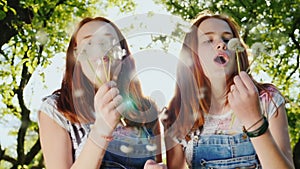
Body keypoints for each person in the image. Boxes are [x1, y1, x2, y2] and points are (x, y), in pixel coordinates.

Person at [164, 12, 294, 169]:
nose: (221, 44)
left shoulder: (267, 98)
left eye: (227, 39)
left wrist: (255, 121)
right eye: (209, 40)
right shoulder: (177, 113)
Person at [38, 16, 166, 169]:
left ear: (123, 54)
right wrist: (102, 128)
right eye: (89, 43)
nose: (99, 47)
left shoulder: (145, 109)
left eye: (108, 41)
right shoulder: (56, 109)